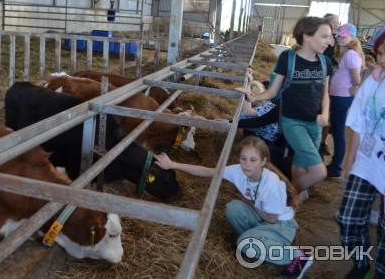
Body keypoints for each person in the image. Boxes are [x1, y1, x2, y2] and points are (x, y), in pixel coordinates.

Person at [155, 136, 312, 278]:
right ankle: (258, 241)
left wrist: (250, 203)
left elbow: (271, 218)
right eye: (243, 158)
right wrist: (173, 164)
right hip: (264, 219)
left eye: (253, 160)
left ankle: (297, 256)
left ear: (263, 161)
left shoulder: (271, 184)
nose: (246, 165)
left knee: (244, 243)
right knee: (233, 208)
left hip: (280, 226)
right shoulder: (238, 171)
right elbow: (207, 171)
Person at [239, 16, 333, 198]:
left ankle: (291, 203)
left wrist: (325, 113)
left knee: (300, 166)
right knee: (319, 172)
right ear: (306, 36)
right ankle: (287, 197)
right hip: (292, 122)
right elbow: (273, 91)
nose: (329, 42)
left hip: (314, 123)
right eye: (324, 36)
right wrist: (253, 96)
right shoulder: (287, 59)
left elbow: (325, 93)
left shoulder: (325, 63)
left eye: (329, 37)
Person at [336, 29, 385, 279]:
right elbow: (358, 123)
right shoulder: (374, 82)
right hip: (367, 160)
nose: (383, 61)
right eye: (380, 54)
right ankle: (361, 260)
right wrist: (347, 161)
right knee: (348, 216)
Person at [327, 23, 364, 178]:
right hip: (338, 96)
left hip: (341, 98)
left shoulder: (350, 54)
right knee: (336, 130)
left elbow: (357, 81)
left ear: (352, 37)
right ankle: (335, 164)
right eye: (339, 35)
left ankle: (336, 168)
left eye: (343, 36)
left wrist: (351, 92)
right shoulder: (345, 53)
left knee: (338, 132)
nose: (340, 38)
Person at [320, 13, 341, 156]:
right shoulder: (323, 39)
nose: (337, 26)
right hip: (321, 76)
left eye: (338, 23)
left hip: (334, 80)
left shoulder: (340, 40)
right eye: (334, 23)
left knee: (329, 110)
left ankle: (323, 142)